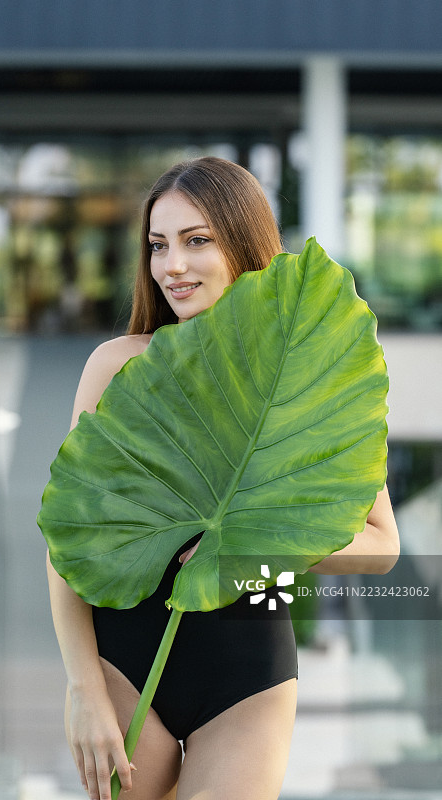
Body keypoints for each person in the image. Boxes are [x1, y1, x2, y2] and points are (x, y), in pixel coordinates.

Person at [46, 157, 400, 800]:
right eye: (159, 245)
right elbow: (68, 539)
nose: (172, 265)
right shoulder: (119, 367)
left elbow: (383, 546)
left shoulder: (313, 380)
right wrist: (83, 692)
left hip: (249, 668)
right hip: (125, 660)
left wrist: (253, 543)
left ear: (243, 243)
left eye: (196, 240)